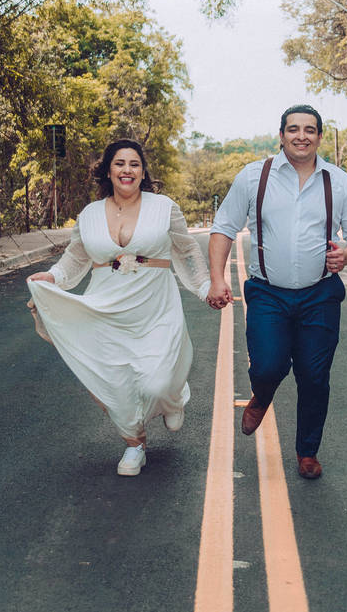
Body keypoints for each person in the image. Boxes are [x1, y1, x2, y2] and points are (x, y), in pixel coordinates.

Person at [27, 139, 211, 477]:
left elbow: (186, 251)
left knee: (156, 382)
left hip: (155, 307)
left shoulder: (164, 206)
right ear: (108, 171)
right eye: (120, 164)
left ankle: (171, 396)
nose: (127, 170)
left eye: (134, 164)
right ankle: (134, 444)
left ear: (143, 172)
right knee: (116, 382)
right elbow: (76, 257)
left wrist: (205, 287)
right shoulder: (90, 214)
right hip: (106, 308)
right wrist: (52, 277)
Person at [207, 105, 347, 479]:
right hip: (268, 293)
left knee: (315, 377)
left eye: (310, 130)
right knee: (268, 365)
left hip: (320, 295)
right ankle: (262, 395)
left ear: (318, 136)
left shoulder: (339, 181)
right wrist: (218, 279)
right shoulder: (253, 178)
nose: (302, 136)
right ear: (281, 135)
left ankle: (307, 452)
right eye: (294, 129)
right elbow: (223, 228)